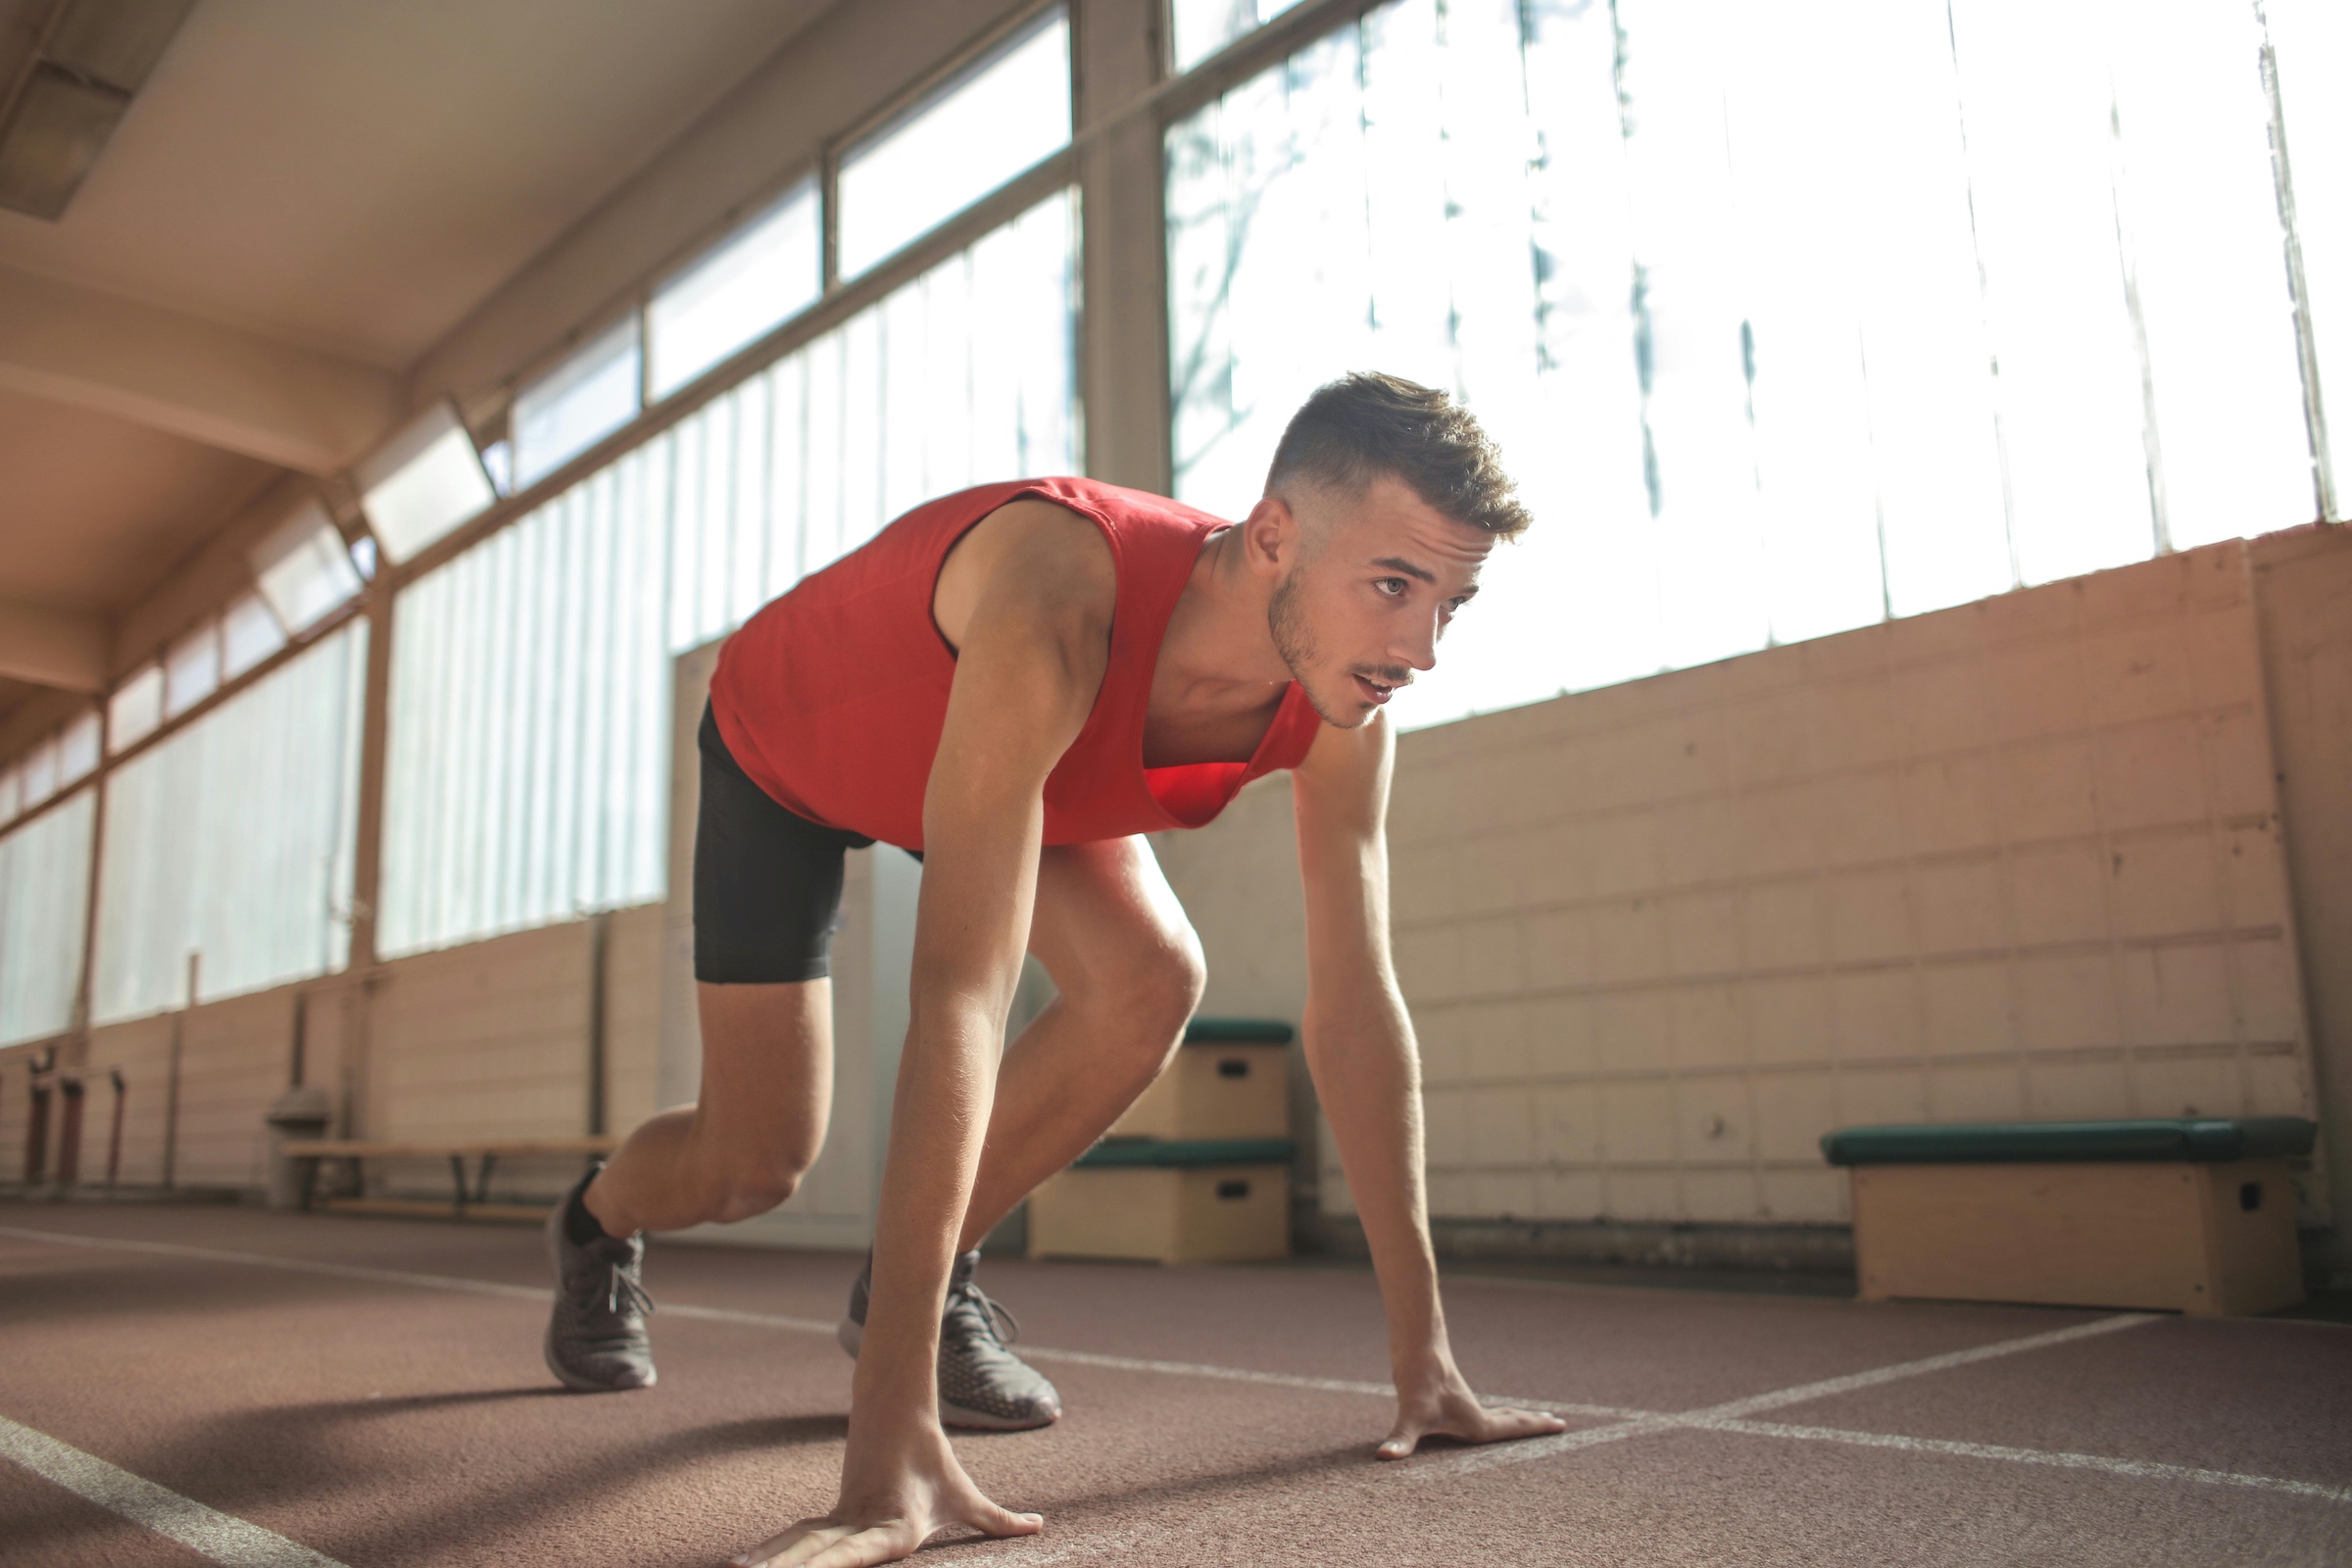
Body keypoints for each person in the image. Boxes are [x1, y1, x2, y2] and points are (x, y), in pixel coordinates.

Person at [541, 371, 1568, 1565]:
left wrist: (1424, 1360)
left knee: (1150, 978)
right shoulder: (1062, 592)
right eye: (1394, 585)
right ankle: (597, 1221)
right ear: (1276, 535)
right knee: (755, 1157)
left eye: (1454, 600)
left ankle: (918, 1287)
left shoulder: (1348, 707)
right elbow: (961, 997)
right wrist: (886, 1450)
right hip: (797, 745)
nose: (1420, 647)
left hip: (1008, 763)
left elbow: (1355, 1006)